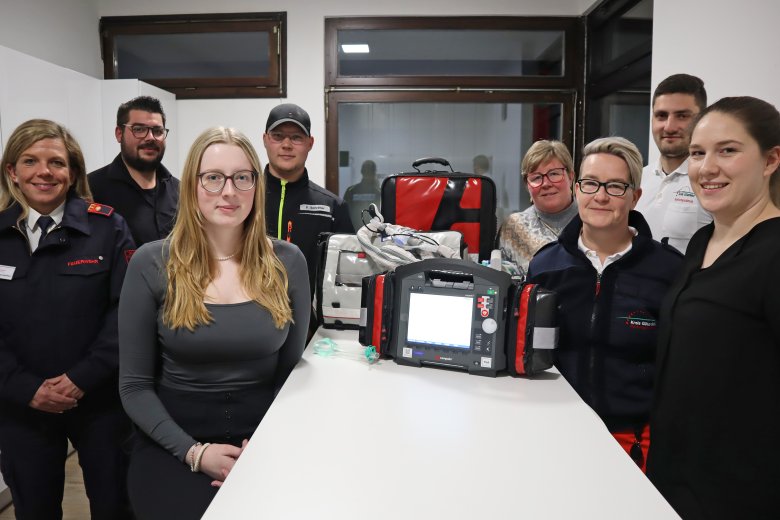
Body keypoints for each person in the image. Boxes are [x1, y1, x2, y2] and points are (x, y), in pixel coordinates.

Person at [119, 127, 310, 519]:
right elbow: (134, 386)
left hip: (261, 440)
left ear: (256, 186)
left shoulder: (288, 262)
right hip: (172, 442)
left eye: (242, 177)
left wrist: (262, 448)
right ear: (191, 186)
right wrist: (196, 453)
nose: (229, 191)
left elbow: (290, 374)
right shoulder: (152, 263)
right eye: (213, 177)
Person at [647, 97, 780, 518]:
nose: (707, 167)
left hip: (742, 492)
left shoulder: (774, 253)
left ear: (770, 159)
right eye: (698, 153)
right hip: (677, 476)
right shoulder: (704, 242)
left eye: (728, 150)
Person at [0, 119, 135, 519]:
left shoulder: (106, 227)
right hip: (21, 407)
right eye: (30, 161)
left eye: (56, 162)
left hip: (99, 403)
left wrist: (81, 378)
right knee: (34, 509)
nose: (44, 172)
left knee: (114, 506)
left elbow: (126, 312)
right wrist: (26, 387)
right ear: (12, 172)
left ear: (72, 172)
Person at [527, 137, 682, 472]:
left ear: (635, 196)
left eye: (615, 186)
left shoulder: (669, 270)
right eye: (591, 183)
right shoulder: (545, 267)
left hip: (634, 441)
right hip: (556, 432)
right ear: (577, 188)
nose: (600, 196)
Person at [262, 103, 353, 298]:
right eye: (278, 136)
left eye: (296, 137)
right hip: (251, 318)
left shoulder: (333, 207)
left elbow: (348, 275)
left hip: (311, 324)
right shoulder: (243, 198)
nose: (286, 144)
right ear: (265, 139)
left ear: (310, 143)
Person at [635, 74, 712, 253]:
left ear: (701, 120)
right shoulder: (637, 178)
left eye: (682, 116)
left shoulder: (713, 182)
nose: (669, 127)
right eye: (661, 116)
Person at [89, 96, 179, 247]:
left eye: (158, 131)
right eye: (139, 129)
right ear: (119, 134)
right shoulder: (90, 189)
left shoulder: (180, 191)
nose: (150, 138)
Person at [497, 140, 579, 275]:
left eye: (554, 174)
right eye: (536, 178)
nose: (546, 183)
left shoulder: (590, 220)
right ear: (527, 185)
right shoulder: (514, 228)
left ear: (571, 176)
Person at [343, 159, 381, 230]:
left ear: (361, 172)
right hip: (373, 232)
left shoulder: (351, 190)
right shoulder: (379, 192)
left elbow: (344, 213)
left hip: (354, 231)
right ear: (374, 173)